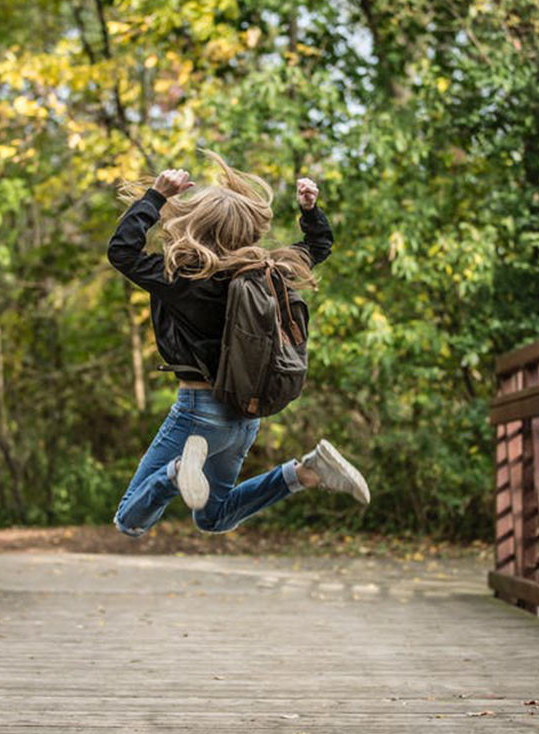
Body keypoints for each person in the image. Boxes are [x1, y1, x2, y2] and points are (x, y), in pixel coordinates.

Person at [108, 149, 369, 538]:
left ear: (197, 223)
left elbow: (122, 251)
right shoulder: (268, 272)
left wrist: (156, 196)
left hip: (198, 413)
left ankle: (178, 471)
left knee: (129, 520)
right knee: (214, 517)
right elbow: (318, 248)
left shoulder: (180, 278)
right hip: (245, 416)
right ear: (247, 229)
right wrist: (310, 212)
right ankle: (306, 472)